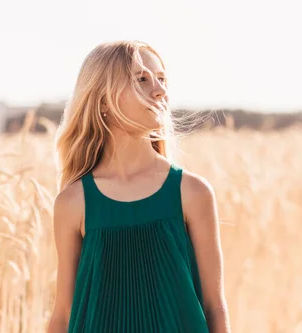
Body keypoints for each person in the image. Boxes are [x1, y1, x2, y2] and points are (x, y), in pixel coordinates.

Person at [47, 40, 231, 333]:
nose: (159, 90)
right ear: (103, 101)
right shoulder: (74, 202)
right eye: (141, 80)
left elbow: (214, 306)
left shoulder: (191, 192)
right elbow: (64, 313)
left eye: (162, 79)